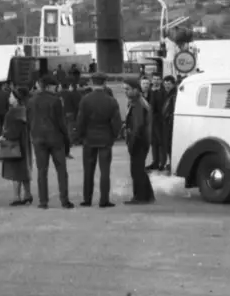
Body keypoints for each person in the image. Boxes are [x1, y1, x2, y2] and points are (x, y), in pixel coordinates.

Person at [75, 73, 123, 208]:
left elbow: (80, 121)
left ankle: (87, 199)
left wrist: (81, 136)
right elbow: (117, 123)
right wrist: (113, 136)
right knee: (105, 171)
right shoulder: (111, 101)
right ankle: (104, 200)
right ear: (105, 83)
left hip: (89, 139)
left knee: (88, 171)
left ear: (92, 82)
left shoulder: (85, 100)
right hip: (105, 139)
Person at [27, 75, 73, 209]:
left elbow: (29, 121)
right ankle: (64, 200)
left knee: (42, 171)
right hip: (55, 139)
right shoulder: (56, 101)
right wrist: (67, 141)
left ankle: (43, 201)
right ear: (48, 86)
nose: (56, 88)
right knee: (61, 170)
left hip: (38, 139)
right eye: (55, 86)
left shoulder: (31, 101)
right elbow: (62, 123)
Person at [0, 86, 34, 206]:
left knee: (15, 171)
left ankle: (16, 196)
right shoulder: (25, 110)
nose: (9, 98)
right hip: (25, 143)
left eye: (11, 96)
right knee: (24, 170)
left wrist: (3, 135)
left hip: (14, 145)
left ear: (15, 98)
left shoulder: (12, 113)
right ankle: (28, 194)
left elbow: (11, 132)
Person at [124, 83, 155, 204]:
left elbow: (138, 125)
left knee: (136, 170)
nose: (126, 92)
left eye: (128, 89)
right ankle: (147, 195)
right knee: (140, 169)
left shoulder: (138, 104)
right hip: (143, 140)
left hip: (139, 141)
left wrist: (132, 142)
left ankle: (140, 197)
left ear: (136, 90)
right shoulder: (139, 102)